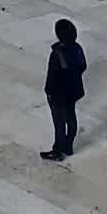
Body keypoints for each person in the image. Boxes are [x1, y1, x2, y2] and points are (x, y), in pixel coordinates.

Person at [40, 18, 87, 162]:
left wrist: (48, 91)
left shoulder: (57, 53)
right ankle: (68, 146)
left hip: (58, 94)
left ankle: (58, 151)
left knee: (59, 123)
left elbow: (52, 75)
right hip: (72, 92)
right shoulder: (77, 48)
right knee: (71, 118)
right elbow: (83, 66)